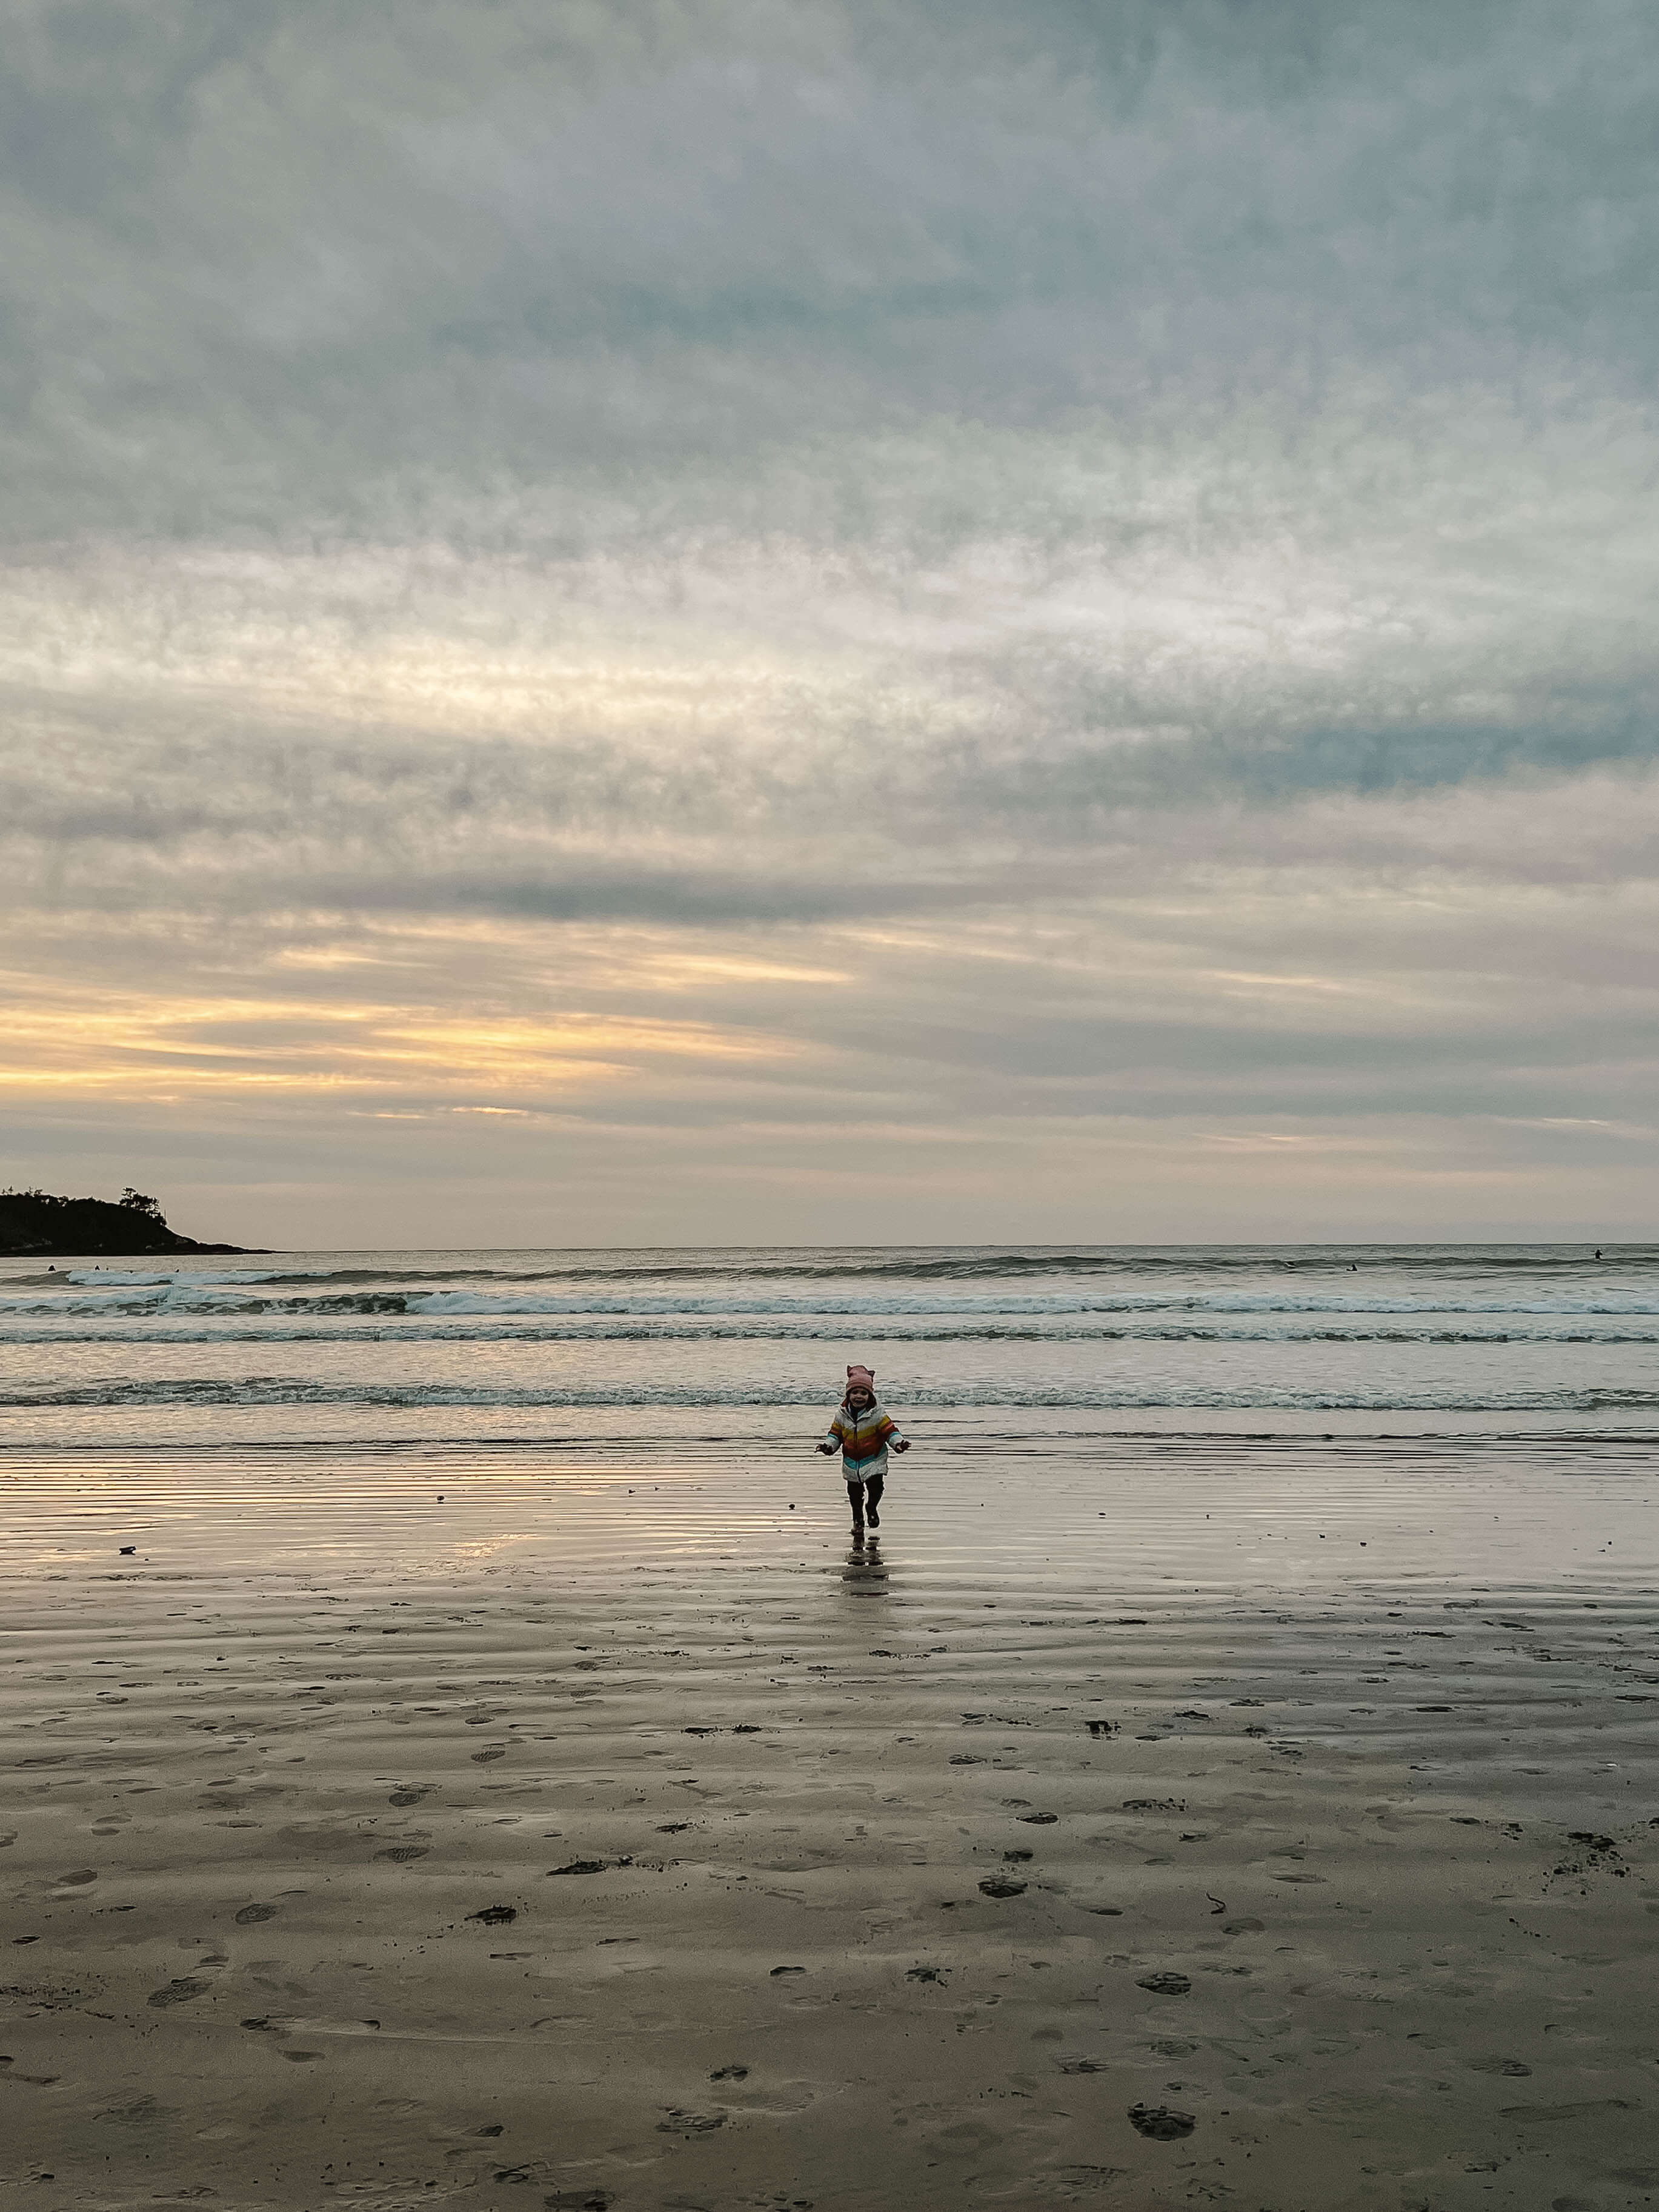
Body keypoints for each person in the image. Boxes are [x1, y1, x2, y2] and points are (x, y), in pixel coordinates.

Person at [817, 1363, 909, 1534]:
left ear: (870, 1395)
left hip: (874, 1459)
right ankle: (858, 1520)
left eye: (863, 1393)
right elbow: (835, 1435)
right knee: (854, 1495)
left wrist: (899, 1443)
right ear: (848, 1395)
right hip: (852, 1462)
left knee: (876, 1488)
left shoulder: (877, 1415)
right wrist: (828, 1447)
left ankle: (872, 1507)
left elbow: (890, 1431)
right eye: (855, 1393)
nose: (859, 1396)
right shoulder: (842, 1415)